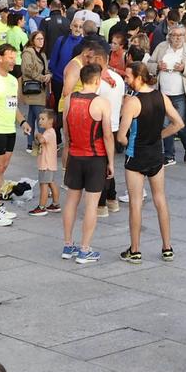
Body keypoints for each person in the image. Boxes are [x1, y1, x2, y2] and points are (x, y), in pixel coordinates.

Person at [116, 60, 180, 262]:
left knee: (136, 203)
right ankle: (167, 247)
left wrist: (130, 143)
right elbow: (178, 123)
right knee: (160, 199)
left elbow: (121, 136)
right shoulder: (161, 96)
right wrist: (159, 135)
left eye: (128, 77)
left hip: (136, 156)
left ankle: (135, 250)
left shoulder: (132, 102)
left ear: (138, 78)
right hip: (156, 155)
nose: (126, 80)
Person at [58, 60, 115, 265]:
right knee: (91, 204)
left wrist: (67, 151)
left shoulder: (70, 99)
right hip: (95, 158)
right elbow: (107, 135)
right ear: (97, 81)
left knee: (71, 201)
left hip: (75, 155)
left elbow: (65, 130)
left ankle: (67, 244)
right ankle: (85, 249)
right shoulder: (101, 103)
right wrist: (111, 162)